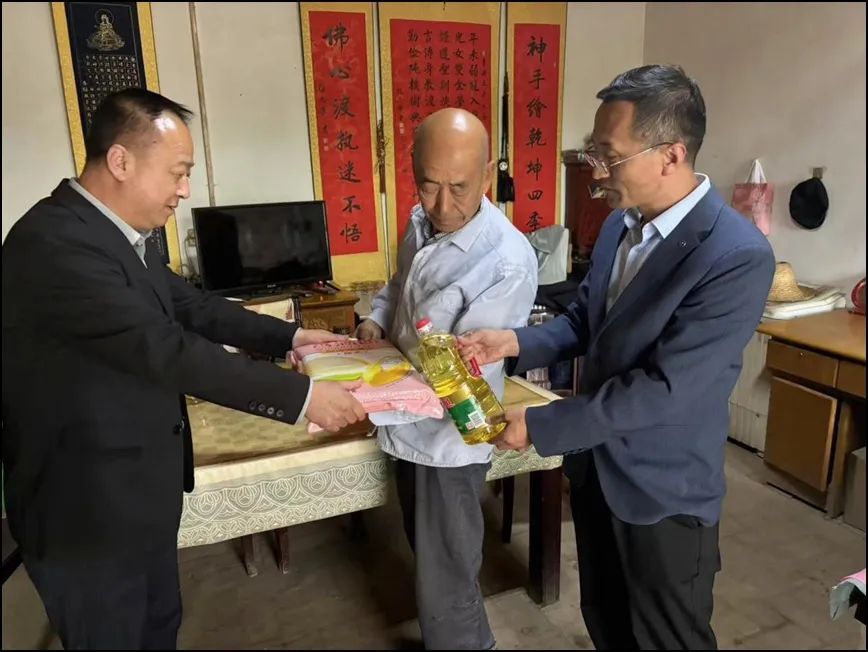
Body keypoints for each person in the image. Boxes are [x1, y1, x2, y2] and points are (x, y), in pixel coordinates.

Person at [1, 88, 365, 650]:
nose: (185, 190)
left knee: (158, 626)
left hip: (138, 492)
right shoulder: (53, 245)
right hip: (84, 508)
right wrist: (302, 398)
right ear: (120, 161)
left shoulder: (121, 234)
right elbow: (166, 348)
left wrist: (290, 336)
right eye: (178, 172)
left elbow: (192, 305)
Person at [459, 65, 775, 650]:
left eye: (609, 156)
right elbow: (585, 321)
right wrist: (513, 342)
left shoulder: (734, 255)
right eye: (594, 152)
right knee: (605, 621)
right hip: (597, 473)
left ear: (670, 155)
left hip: (662, 492)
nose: (596, 172)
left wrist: (543, 424)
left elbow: (667, 388)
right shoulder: (618, 228)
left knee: (666, 637)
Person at [355, 108, 538, 650]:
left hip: (449, 436)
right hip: (406, 423)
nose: (441, 205)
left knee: (446, 573)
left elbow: (460, 381)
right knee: (432, 554)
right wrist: (375, 319)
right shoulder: (422, 222)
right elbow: (400, 287)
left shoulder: (505, 261)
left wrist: (363, 393)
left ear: (486, 175)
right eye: (428, 184)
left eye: (458, 188)